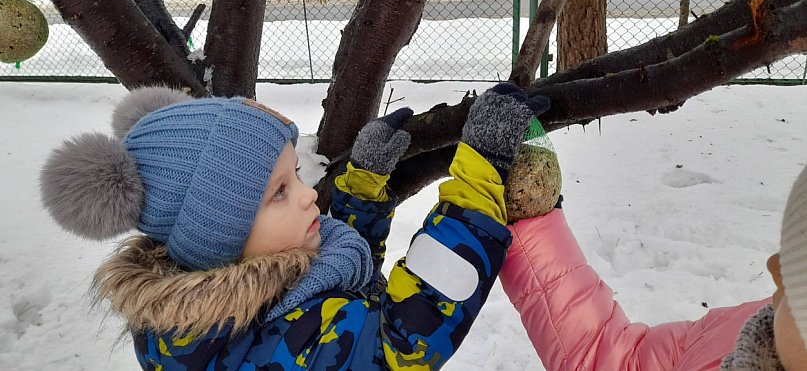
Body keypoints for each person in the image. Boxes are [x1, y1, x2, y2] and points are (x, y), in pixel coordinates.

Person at [39, 83, 549, 370]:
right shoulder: (267, 345)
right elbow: (398, 345)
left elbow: (338, 290)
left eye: (296, 174)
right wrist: (479, 182)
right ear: (222, 235)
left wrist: (364, 187)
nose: (308, 194)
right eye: (279, 190)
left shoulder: (247, 288)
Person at [499, 157, 807, 369]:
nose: (775, 268)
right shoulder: (748, 334)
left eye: (800, 273)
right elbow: (614, 360)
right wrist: (532, 217)